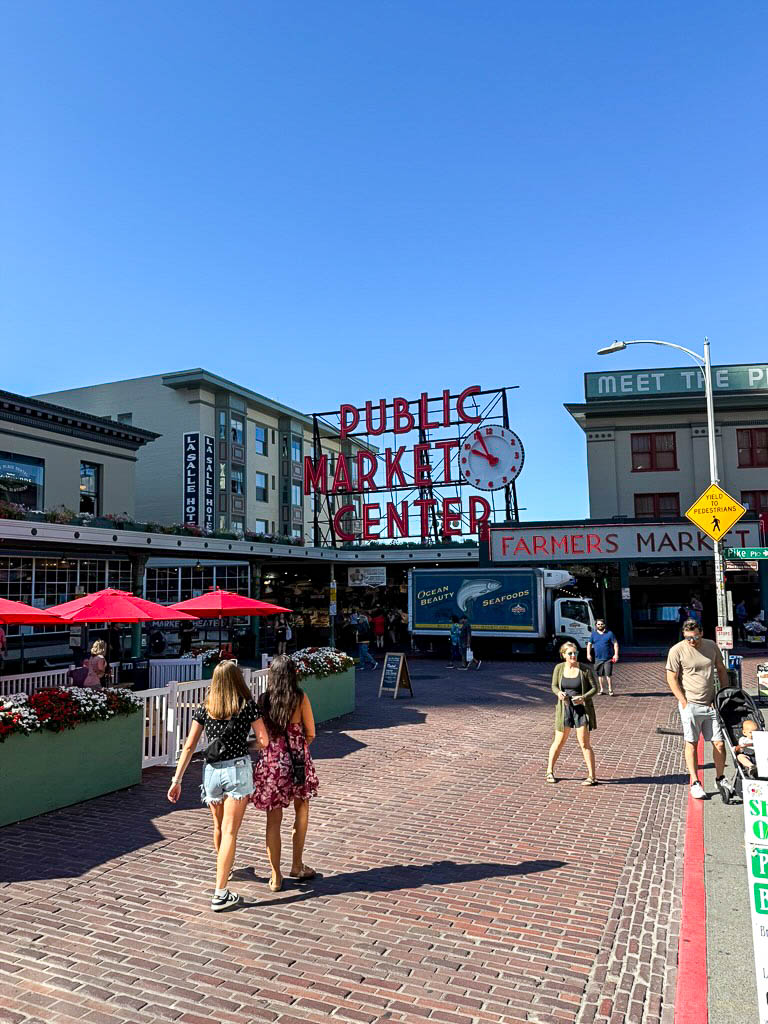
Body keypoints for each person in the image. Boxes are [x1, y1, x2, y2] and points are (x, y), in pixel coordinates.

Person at [167, 661, 268, 911]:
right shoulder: (246, 707)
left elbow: (189, 746)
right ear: (237, 680)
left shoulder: (206, 708)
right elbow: (264, 740)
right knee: (231, 832)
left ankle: (226, 868)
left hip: (211, 771)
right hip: (236, 769)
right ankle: (220, 892)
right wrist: (247, 747)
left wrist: (176, 780)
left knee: (218, 827)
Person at [250, 655, 319, 891]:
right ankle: (297, 864)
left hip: (271, 763)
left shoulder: (264, 700)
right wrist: (300, 743)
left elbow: (260, 737)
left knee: (273, 819)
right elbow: (311, 732)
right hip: (296, 759)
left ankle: (275, 874)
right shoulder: (299, 697)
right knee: (302, 810)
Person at [665, 619, 729, 800]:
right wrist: (683, 701)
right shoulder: (677, 650)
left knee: (719, 742)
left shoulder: (711, 646)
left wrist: (723, 695)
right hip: (691, 705)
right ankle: (695, 781)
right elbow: (671, 678)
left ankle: (720, 777)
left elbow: (721, 670)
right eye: (687, 638)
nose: (691, 641)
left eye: (694, 637)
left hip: (711, 704)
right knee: (691, 743)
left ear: (701, 632)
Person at [546, 642, 598, 785]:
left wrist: (584, 697)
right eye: (570, 653)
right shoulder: (559, 668)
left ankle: (592, 776)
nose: (573, 655)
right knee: (559, 741)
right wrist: (559, 693)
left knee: (584, 743)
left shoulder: (585, 670)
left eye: (575, 653)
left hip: (581, 710)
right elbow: (554, 685)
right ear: (563, 655)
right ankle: (549, 771)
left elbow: (595, 688)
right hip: (565, 709)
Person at [586, 619, 619, 695]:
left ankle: (610, 690)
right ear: (596, 625)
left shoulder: (610, 633)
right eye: (598, 624)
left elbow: (615, 644)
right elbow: (589, 644)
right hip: (598, 658)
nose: (600, 625)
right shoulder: (593, 634)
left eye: (601, 624)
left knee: (608, 674)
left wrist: (616, 654)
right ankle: (601, 689)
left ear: (604, 625)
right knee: (600, 675)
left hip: (608, 658)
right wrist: (588, 654)